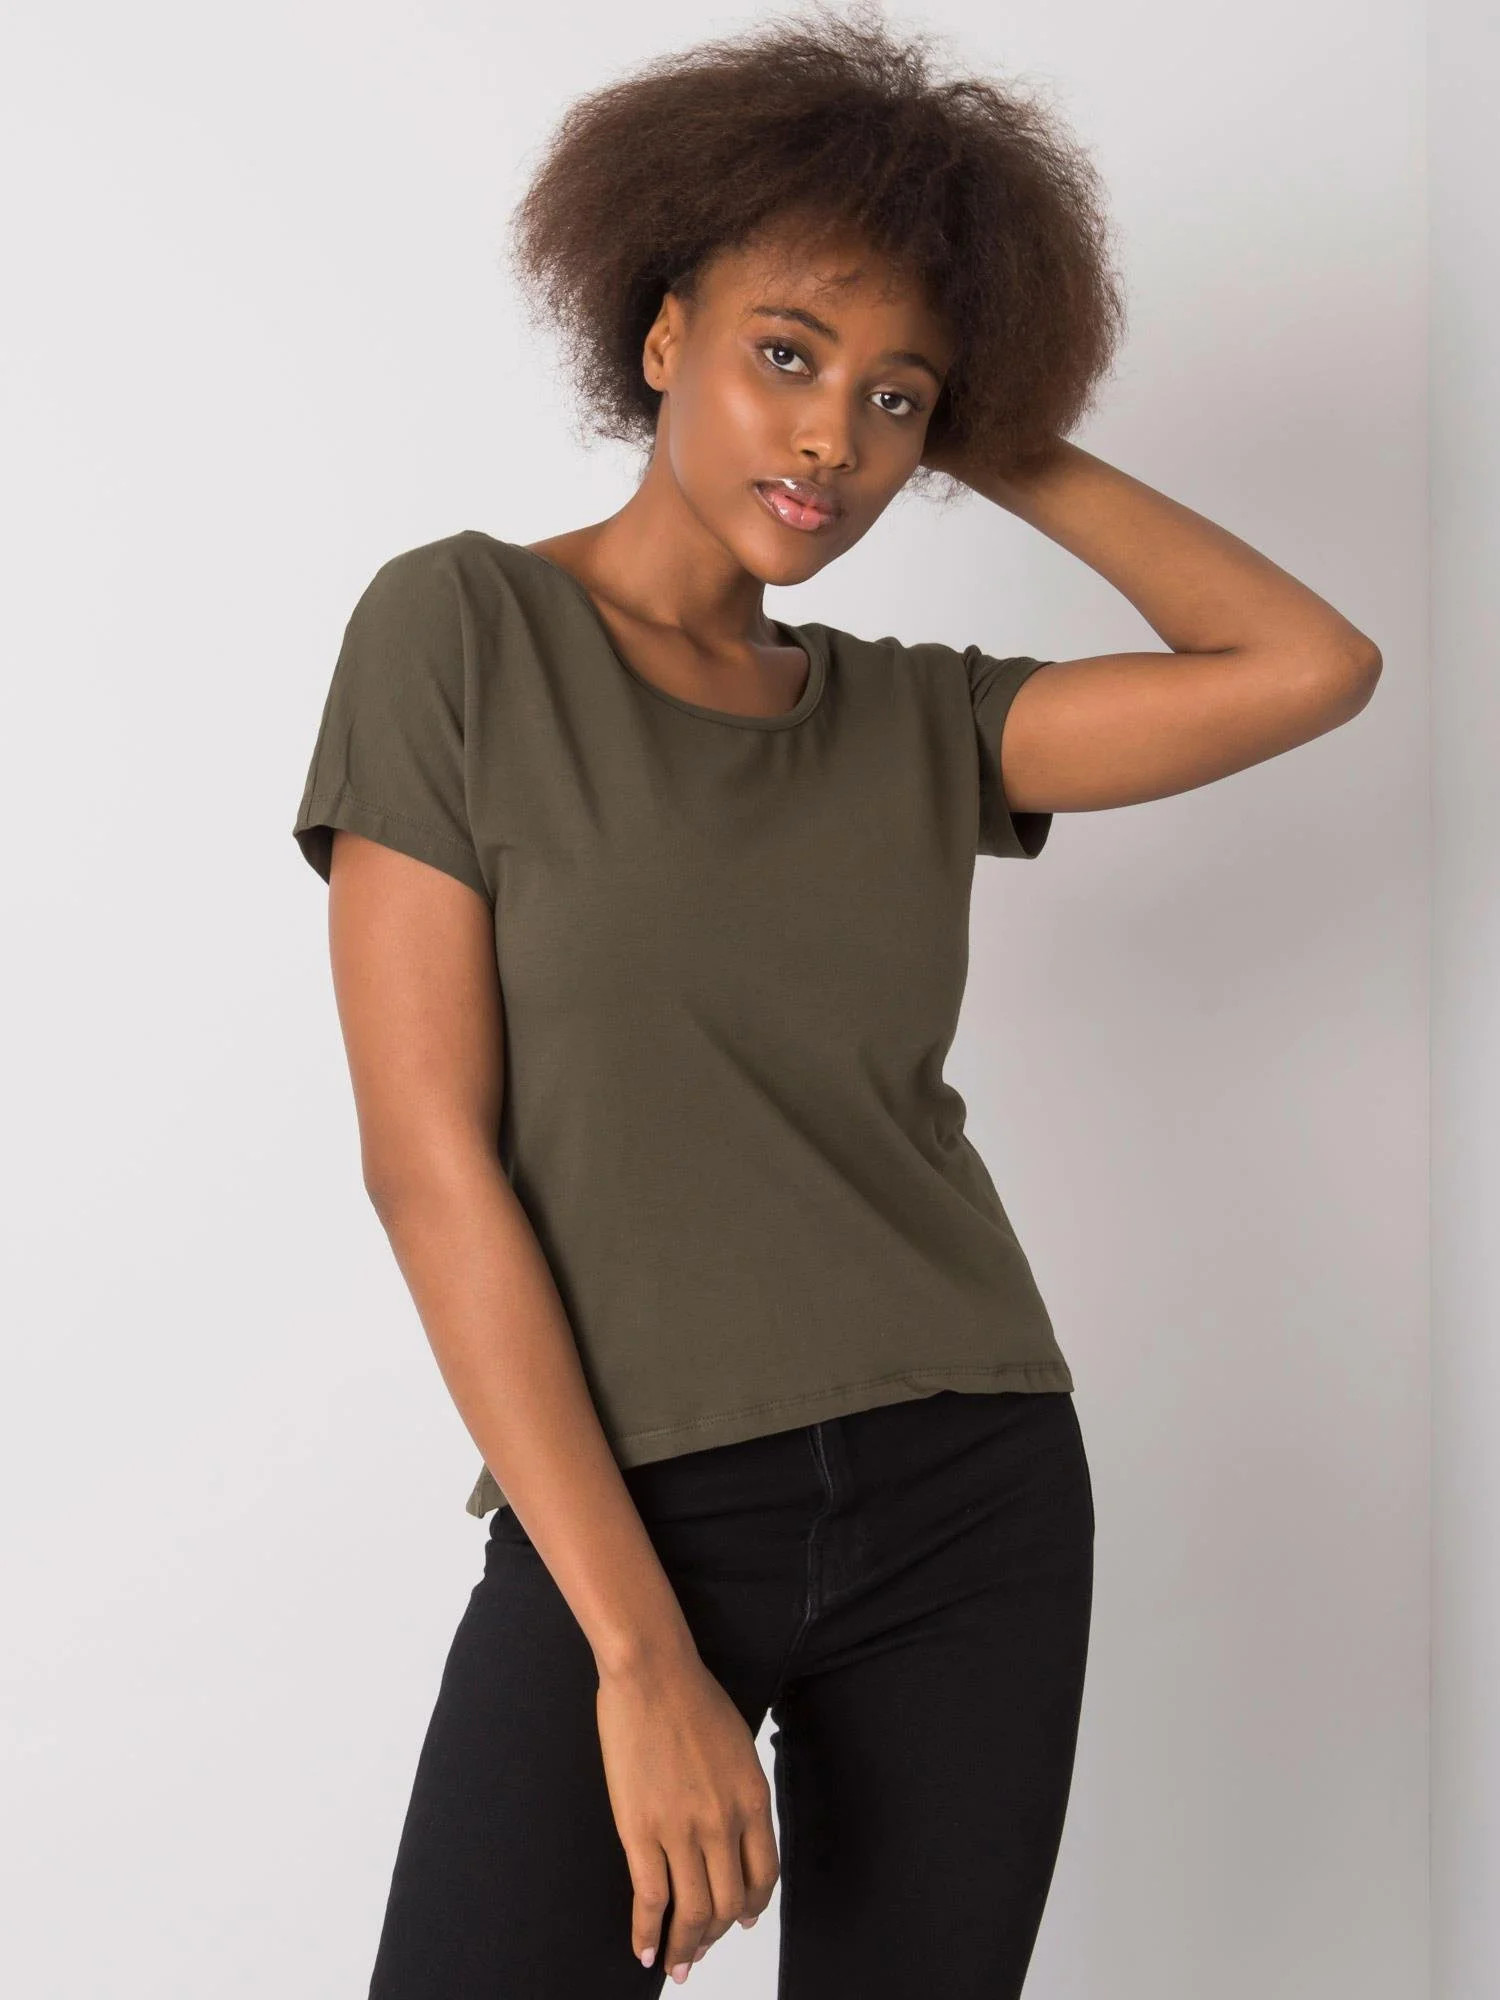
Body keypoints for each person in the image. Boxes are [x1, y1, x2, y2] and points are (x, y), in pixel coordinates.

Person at [290, 11, 1381, 1996]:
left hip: (970, 1488)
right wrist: (637, 1654)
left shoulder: (915, 721)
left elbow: (1308, 665)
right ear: (659, 331)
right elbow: (427, 1160)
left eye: (895, 400)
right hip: (632, 1505)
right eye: (786, 355)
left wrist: (992, 421)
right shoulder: (460, 629)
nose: (831, 441)